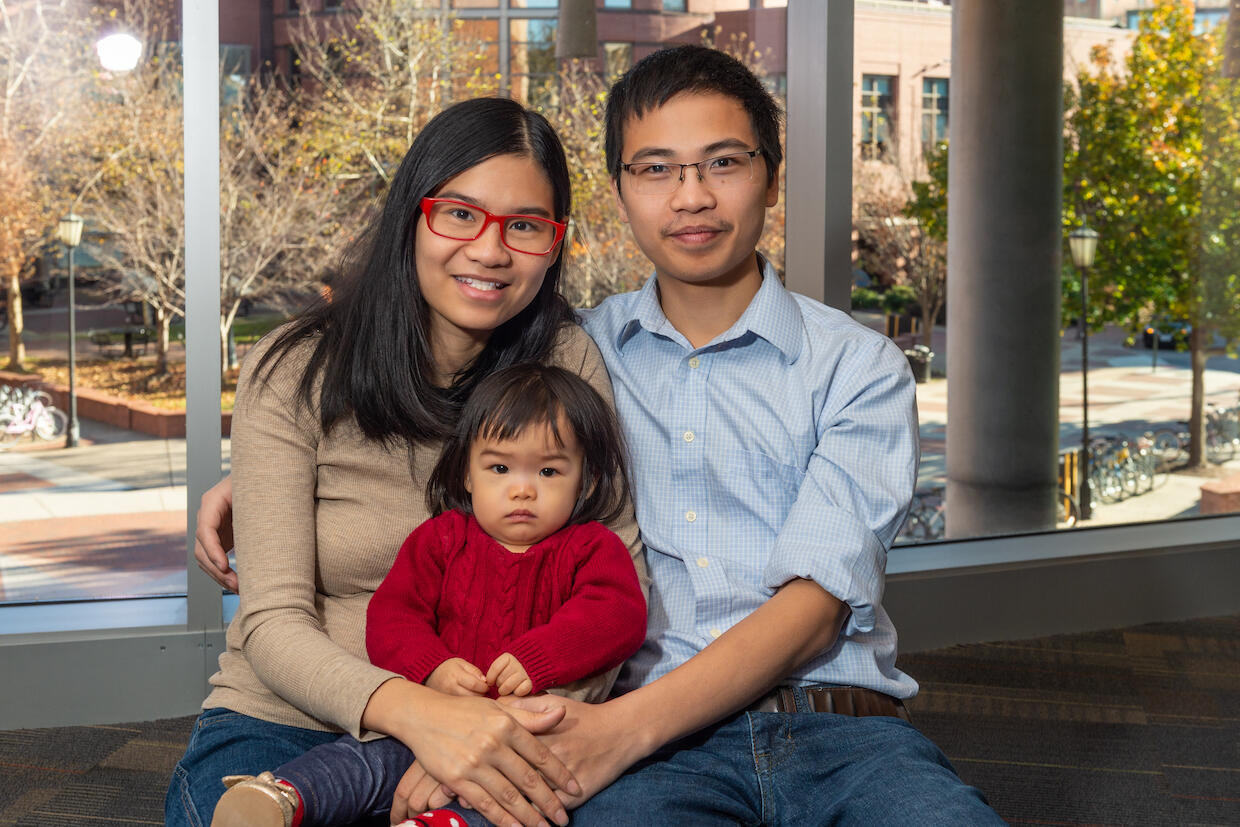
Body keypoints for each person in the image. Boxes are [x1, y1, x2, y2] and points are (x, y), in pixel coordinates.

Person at [197, 46, 1006, 825]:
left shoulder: (828, 365)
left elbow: (788, 605)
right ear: (622, 191)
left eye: (723, 163)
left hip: (792, 722)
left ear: (771, 173)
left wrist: (585, 733)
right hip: (544, 742)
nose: (690, 197)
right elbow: (322, 574)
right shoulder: (571, 351)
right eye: (656, 169)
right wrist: (265, 485)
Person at [167, 96, 647, 827]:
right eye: (459, 213)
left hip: (507, 727)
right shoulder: (298, 367)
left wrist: (490, 734)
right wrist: (425, 720)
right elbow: (272, 623)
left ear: (554, 244)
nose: (489, 250)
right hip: (288, 720)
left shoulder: (565, 360)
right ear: (412, 215)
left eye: (524, 226)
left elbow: (617, 577)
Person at [210, 364, 647, 827]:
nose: (522, 489)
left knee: (516, 801)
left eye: (548, 471)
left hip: (530, 731)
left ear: (587, 481)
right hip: (430, 717)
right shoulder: (442, 539)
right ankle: (284, 796)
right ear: (467, 476)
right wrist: (432, 668)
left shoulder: (592, 547)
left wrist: (541, 656)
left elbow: (618, 614)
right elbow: (394, 615)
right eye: (499, 468)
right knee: (363, 760)